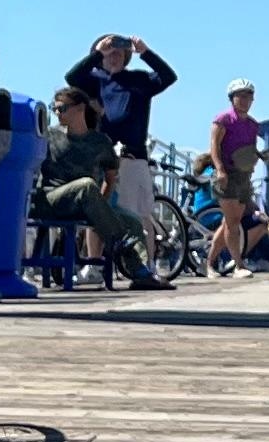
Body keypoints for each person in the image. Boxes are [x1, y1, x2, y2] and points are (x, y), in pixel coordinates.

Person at [31, 84, 150, 285]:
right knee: (86, 185)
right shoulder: (49, 136)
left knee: (133, 222)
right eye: (54, 109)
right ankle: (122, 245)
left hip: (85, 204)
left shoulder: (100, 142)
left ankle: (141, 273)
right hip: (52, 199)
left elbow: (111, 177)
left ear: (80, 108)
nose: (57, 113)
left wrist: (99, 206)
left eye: (62, 108)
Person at [69, 36, 179, 237]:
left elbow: (168, 76)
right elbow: (72, 77)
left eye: (119, 53)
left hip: (133, 155)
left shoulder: (140, 79)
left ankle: (146, 255)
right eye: (110, 53)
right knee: (97, 213)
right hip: (102, 156)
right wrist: (97, 54)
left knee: (139, 215)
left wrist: (145, 52)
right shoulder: (95, 80)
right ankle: (95, 257)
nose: (114, 56)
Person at [208, 81, 267, 271]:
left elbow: (249, 149)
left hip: (243, 175)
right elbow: (214, 146)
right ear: (232, 98)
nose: (245, 100)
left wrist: (259, 157)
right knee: (233, 223)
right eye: (240, 96)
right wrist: (219, 169)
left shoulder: (253, 125)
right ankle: (239, 266)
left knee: (229, 222)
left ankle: (209, 263)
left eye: (248, 97)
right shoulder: (223, 120)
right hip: (227, 174)